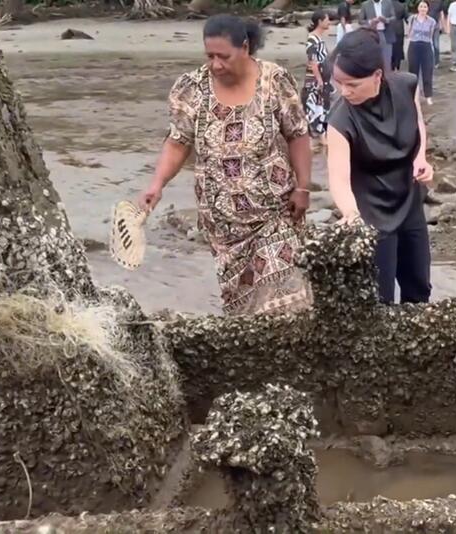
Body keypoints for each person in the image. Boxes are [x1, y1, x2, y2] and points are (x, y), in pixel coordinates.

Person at [139, 16, 313, 316]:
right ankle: (259, 361)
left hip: (275, 211)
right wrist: (157, 185)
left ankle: (290, 357)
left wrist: (303, 187)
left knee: (287, 299)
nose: (216, 64)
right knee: (243, 308)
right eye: (210, 56)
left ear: (245, 47)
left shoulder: (274, 81)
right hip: (223, 224)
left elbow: (297, 134)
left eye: (224, 56)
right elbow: (178, 142)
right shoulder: (192, 88)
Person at [326, 29, 434, 305]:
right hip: (372, 212)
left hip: (408, 200)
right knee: (379, 298)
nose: (344, 91)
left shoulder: (406, 85)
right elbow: (338, 177)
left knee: (418, 288)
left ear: (377, 75)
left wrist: (420, 157)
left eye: (352, 84)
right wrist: (350, 214)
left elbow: (417, 122)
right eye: (339, 83)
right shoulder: (340, 119)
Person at [303, 11, 333, 147]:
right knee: (312, 107)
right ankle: (310, 138)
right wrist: (319, 79)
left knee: (321, 107)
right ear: (320, 22)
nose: (329, 22)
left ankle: (321, 136)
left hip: (322, 78)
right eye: (327, 20)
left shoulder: (318, 38)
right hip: (315, 80)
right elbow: (313, 61)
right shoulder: (312, 39)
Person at [407, 1, 438, 104]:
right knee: (413, 72)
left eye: (425, 7)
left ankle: (428, 96)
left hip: (426, 46)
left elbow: (431, 35)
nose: (423, 9)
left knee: (427, 72)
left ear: (428, 9)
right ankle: (413, 95)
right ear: (418, 8)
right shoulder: (412, 19)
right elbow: (409, 33)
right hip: (414, 45)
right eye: (421, 6)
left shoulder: (432, 21)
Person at [359, 0, 397, 73]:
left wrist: (386, 20)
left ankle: (386, 80)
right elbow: (360, 20)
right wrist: (370, 22)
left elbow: (394, 17)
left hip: (386, 35)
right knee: (371, 60)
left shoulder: (388, 2)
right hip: (371, 35)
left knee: (386, 61)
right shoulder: (365, 4)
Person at [428, 0, 448, 69]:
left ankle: (436, 62)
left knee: (436, 44)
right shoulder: (426, 1)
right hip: (427, 25)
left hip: (436, 25)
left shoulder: (439, 2)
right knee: (428, 44)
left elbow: (441, 14)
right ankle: (428, 61)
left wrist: (443, 26)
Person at [392, 0, 409, 70]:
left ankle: (391, 65)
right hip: (399, 28)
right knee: (398, 47)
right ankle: (397, 65)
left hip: (388, 27)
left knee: (390, 47)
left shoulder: (385, 4)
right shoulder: (402, 5)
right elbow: (407, 18)